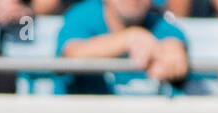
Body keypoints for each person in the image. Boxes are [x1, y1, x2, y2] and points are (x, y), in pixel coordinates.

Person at [58, 0, 189, 93]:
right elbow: (71, 54)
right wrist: (130, 38)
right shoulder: (83, 15)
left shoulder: (159, 23)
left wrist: (173, 55)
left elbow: (174, 46)